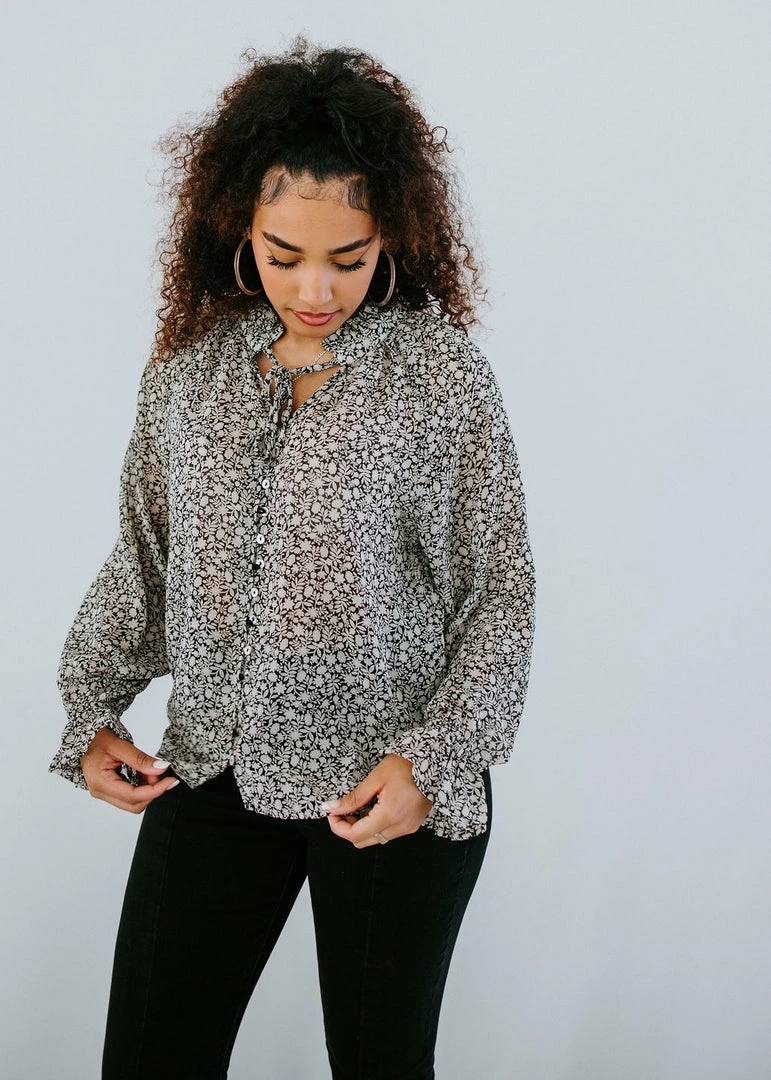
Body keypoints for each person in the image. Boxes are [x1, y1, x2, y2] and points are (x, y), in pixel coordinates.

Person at [49, 39, 536, 1080]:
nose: (314, 287)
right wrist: (91, 710)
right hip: (214, 767)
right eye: (282, 255)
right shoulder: (189, 371)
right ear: (238, 225)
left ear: (391, 233)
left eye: (347, 259)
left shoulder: (438, 376)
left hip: (389, 785)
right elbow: (146, 557)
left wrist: (433, 762)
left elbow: (498, 591)